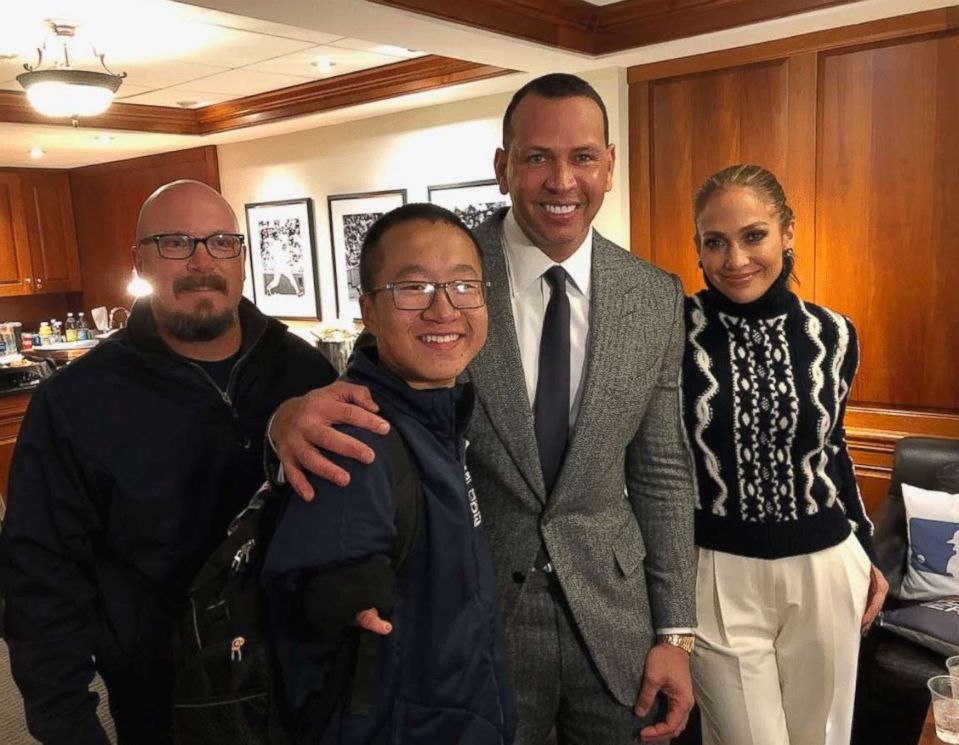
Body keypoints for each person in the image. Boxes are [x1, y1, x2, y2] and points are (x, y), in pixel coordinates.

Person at [269, 73, 698, 744]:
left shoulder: (655, 296)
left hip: (615, 621)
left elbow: (663, 472)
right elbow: (376, 381)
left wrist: (677, 631)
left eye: (583, 156)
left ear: (609, 167)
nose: (562, 180)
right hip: (475, 616)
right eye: (537, 157)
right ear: (503, 167)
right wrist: (286, 412)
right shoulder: (449, 275)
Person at [0, 180, 337, 745]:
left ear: (242, 257)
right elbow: (39, 577)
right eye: (176, 242)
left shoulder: (303, 372)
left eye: (221, 241)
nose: (203, 261)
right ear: (139, 260)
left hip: (307, 676)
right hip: (165, 697)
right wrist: (66, 723)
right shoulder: (76, 400)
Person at [262, 203, 515, 744]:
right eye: (413, 289)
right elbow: (326, 656)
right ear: (369, 312)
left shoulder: (441, 419)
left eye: (464, 285)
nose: (444, 309)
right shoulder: (354, 437)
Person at [682, 164, 889, 745]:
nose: (735, 258)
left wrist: (867, 551)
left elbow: (836, 449)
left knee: (824, 735)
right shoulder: (673, 330)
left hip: (825, 566)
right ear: (698, 248)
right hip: (715, 571)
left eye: (754, 236)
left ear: (787, 233)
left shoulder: (836, 334)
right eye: (714, 242)